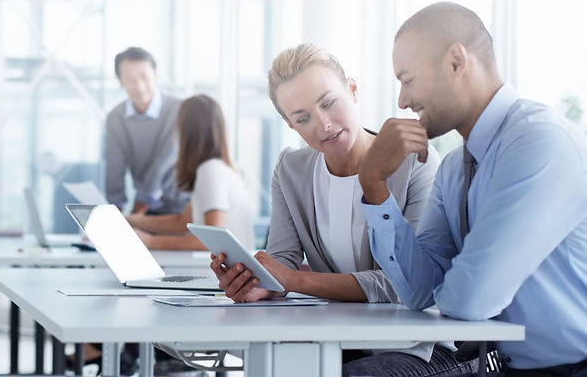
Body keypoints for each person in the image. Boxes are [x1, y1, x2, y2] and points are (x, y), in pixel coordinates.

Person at [209, 43, 474, 376]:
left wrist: (292, 281)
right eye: (302, 118)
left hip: (422, 345)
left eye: (329, 103)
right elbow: (282, 261)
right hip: (344, 340)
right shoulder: (291, 169)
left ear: (352, 90)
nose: (323, 125)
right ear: (290, 125)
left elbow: (405, 284)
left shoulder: (415, 163)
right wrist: (258, 282)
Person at [356, 2, 587, 376]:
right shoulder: (452, 170)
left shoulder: (540, 143)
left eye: (408, 79)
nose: (402, 100)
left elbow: (469, 300)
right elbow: (419, 291)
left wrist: (450, 288)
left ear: (455, 62)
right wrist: (373, 183)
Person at [126, 94, 254, 250]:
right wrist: (131, 220)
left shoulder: (210, 170)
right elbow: (182, 221)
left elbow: (214, 240)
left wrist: (151, 242)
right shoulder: (228, 168)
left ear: (187, 132)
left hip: (220, 272)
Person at [104, 47, 189, 216]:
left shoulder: (180, 110)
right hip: (146, 209)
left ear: (155, 76)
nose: (139, 87)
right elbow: (114, 168)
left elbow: (164, 162)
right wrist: (115, 213)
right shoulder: (115, 117)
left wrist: (136, 213)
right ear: (120, 81)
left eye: (145, 78)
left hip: (182, 207)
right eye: (130, 79)